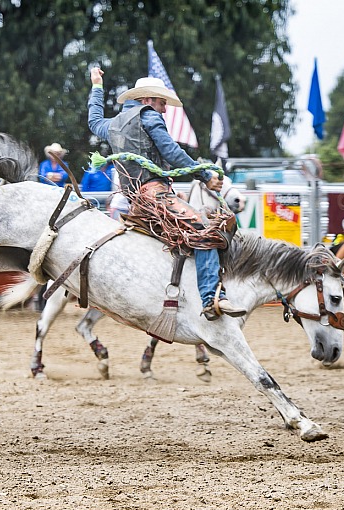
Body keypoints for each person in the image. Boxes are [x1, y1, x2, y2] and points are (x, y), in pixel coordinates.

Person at [88, 67, 245, 321]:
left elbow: (93, 120)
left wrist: (97, 86)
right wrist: (205, 176)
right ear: (147, 100)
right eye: (162, 103)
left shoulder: (113, 125)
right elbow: (171, 152)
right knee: (205, 230)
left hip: (135, 201)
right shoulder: (148, 116)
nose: (164, 109)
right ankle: (210, 297)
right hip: (154, 195)